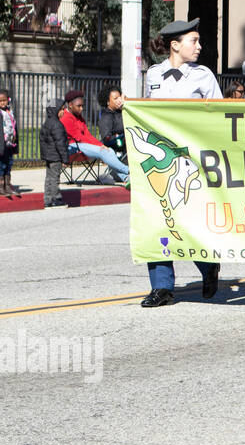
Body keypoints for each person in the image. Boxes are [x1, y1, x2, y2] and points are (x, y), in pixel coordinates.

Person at [140, 18, 223, 308]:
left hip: (192, 161)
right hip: (160, 160)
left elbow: (220, 114)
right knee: (156, 221)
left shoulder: (204, 76)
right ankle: (162, 287)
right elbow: (147, 113)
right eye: (194, 41)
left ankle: (207, 265)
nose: (199, 47)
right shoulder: (154, 74)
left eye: (199, 41)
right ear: (175, 45)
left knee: (188, 220)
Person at [60, 89, 130, 183]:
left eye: (82, 106)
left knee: (109, 150)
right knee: (104, 151)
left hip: (81, 145)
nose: (81, 108)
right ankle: (129, 171)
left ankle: (126, 178)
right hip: (71, 147)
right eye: (79, 106)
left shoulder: (78, 116)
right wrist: (99, 145)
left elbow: (87, 135)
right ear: (70, 105)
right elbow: (79, 137)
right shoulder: (65, 118)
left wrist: (99, 144)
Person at [39, 96, 68, 207]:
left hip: (48, 156)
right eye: (62, 109)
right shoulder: (57, 125)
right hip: (55, 157)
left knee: (49, 178)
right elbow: (60, 144)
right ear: (56, 110)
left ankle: (47, 198)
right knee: (55, 178)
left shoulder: (47, 123)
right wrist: (65, 158)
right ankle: (56, 198)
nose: (63, 112)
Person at [97, 85, 127, 162]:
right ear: (108, 102)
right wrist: (119, 136)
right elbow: (106, 137)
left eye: (120, 97)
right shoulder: (106, 116)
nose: (119, 100)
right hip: (116, 147)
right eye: (115, 98)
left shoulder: (122, 111)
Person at [0, 88, 16, 198]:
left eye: (4, 100)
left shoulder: (10, 112)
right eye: (0, 101)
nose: (2, 103)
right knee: (1, 165)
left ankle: (7, 185)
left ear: (8, 100)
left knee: (9, 164)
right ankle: (1, 186)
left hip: (10, 143)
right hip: (1, 144)